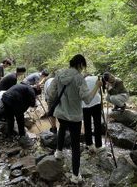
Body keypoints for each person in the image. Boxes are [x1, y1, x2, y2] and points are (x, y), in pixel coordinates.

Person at [47, 54, 102, 184]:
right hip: (75, 116)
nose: (83, 69)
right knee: (75, 145)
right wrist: (97, 86)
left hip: (61, 113)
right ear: (80, 65)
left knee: (61, 129)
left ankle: (58, 153)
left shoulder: (59, 74)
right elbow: (87, 100)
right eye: (83, 66)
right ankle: (75, 176)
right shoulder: (79, 79)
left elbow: (51, 93)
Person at [82, 75, 103, 153]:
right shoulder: (96, 78)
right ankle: (99, 145)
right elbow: (100, 90)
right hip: (96, 103)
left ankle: (89, 144)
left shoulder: (81, 81)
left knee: (87, 125)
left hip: (84, 105)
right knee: (97, 124)